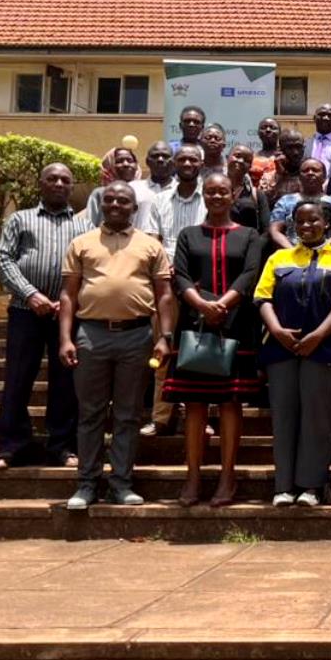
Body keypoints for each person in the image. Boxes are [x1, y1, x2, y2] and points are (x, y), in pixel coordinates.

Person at [58, 181, 175, 509]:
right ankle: (86, 484)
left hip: (136, 336)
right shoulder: (82, 243)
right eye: (109, 200)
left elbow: (165, 295)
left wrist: (165, 337)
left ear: (134, 207)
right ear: (101, 204)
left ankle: (121, 483)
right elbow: (68, 294)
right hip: (91, 336)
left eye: (123, 201)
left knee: (128, 414)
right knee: (90, 413)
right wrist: (66, 338)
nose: (115, 205)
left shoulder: (151, 246)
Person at [164, 173, 263, 507]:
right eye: (211, 191)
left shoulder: (250, 235)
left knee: (229, 403)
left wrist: (223, 303)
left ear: (233, 195)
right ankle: (192, 477)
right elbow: (180, 275)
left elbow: (250, 274)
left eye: (223, 191)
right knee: (194, 404)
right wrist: (203, 305)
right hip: (196, 326)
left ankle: (227, 476)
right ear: (204, 195)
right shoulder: (189, 235)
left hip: (235, 325)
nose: (217, 196)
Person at [256, 200, 331, 508]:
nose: (306, 226)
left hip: (324, 349)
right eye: (300, 222)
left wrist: (317, 336)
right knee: (284, 418)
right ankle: (283, 487)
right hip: (280, 349)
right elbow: (262, 298)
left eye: (313, 221)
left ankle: (311, 487)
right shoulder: (279, 258)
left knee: (317, 419)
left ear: (326, 223)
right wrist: (276, 331)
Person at [0, 163, 89, 470]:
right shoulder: (20, 219)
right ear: (41, 185)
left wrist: (70, 301)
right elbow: (4, 259)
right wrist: (31, 294)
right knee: (18, 379)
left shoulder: (84, 227)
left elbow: (92, 267)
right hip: (25, 312)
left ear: (72, 187)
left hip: (67, 315)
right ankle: (11, 446)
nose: (59, 183)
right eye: (52, 179)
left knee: (66, 382)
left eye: (65, 180)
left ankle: (62, 446)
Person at [142, 144, 207, 438]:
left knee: (201, 354)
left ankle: (201, 415)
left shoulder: (211, 196)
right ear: (173, 163)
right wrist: (165, 268)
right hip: (165, 284)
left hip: (200, 285)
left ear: (201, 163)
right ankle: (161, 417)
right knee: (163, 351)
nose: (187, 163)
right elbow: (152, 242)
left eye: (193, 159)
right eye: (181, 159)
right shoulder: (159, 200)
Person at [268, 157, 331, 251]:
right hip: (291, 255)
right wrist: (293, 251)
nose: (310, 173)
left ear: (324, 177)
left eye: (315, 170)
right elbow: (274, 231)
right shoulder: (285, 201)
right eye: (305, 171)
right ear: (299, 177)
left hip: (325, 256)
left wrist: (317, 249)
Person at [85, 147, 160, 232]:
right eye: (119, 161)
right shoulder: (100, 193)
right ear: (109, 165)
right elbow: (89, 224)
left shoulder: (148, 191)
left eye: (130, 160)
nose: (126, 164)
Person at [225, 143, 272, 233]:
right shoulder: (213, 190)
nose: (241, 161)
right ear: (227, 157)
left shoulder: (257, 195)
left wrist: (254, 246)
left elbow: (266, 230)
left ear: (250, 166)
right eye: (237, 156)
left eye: (247, 160)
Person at [268, 129, 306, 204]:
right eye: (290, 148)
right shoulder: (270, 175)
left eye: (298, 147)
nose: (295, 152)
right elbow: (267, 200)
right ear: (280, 150)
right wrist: (279, 174)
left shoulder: (310, 173)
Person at [251, 117, 280, 188]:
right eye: (264, 127)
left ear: (280, 132)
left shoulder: (284, 157)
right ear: (258, 133)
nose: (268, 130)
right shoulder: (252, 158)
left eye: (273, 128)